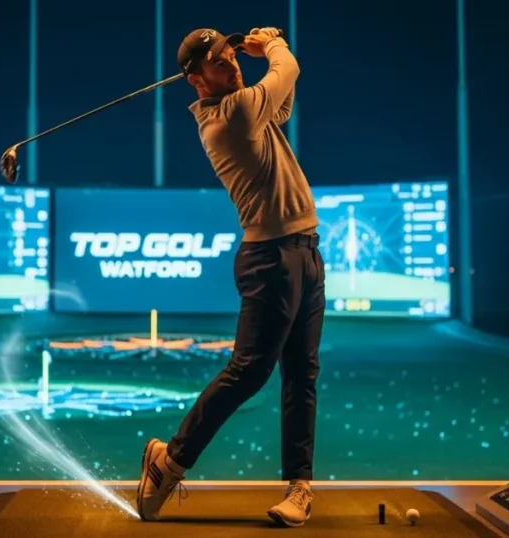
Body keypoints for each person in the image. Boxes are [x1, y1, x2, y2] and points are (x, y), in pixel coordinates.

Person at [136, 27, 325, 528]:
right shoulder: (232, 117)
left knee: (302, 373)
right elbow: (289, 71)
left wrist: (256, 56)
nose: (233, 65)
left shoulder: (247, 106)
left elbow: (282, 102)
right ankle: (168, 463)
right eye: (221, 64)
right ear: (197, 82)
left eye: (230, 56)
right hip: (271, 258)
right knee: (249, 371)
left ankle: (299, 488)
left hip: (306, 252)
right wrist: (273, 44)